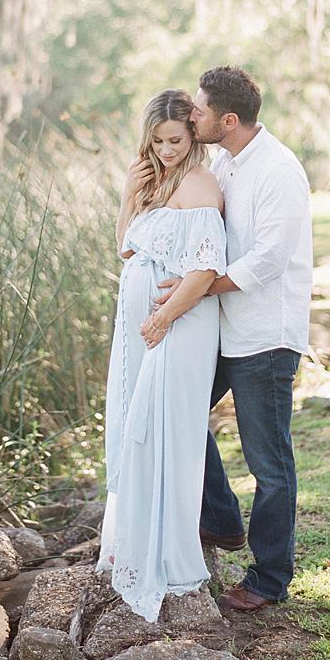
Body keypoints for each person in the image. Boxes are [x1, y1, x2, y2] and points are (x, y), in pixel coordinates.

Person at [161, 65, 312, 612]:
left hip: (265, 337)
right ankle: (223, 520)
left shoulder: (279, 170)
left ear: (227, 119)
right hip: (223, 329)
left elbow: (268, 261)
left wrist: (197, 289)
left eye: (198, 110)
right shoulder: (222, 162)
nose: (190, 115)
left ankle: (270, 579)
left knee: (268, 464)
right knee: (173, 410)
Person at [99, 89, 227, 622]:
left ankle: (172, 553)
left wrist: (163, 316)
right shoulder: (157, 179)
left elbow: (204, 268)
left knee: (167, 429)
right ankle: (135, 538)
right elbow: (126, 248)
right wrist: (131, 194)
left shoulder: (201, 183)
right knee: (136, 422)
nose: (167, 149)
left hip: (179, 323)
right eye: (157, 140)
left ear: (193, 134)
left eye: (175, 139)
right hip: (145, 329)